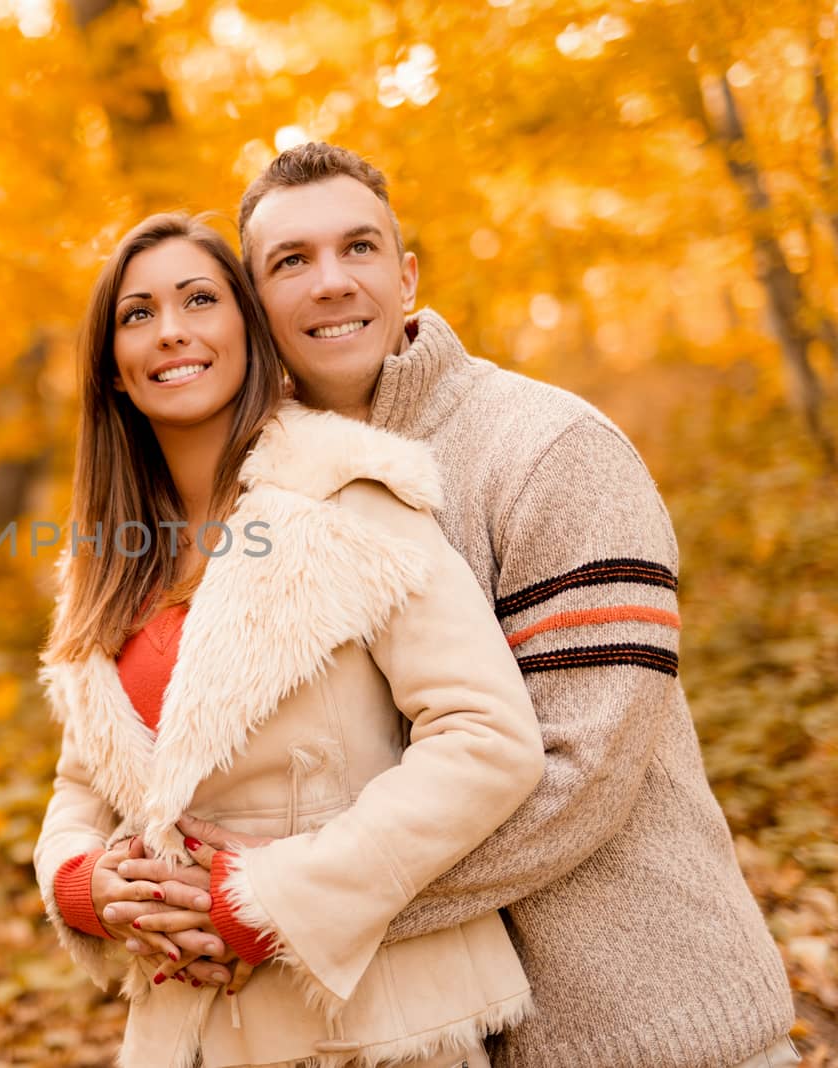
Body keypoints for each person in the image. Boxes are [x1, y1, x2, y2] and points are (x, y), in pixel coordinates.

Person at [129, 143, 796, 1068]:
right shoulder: (258, 492)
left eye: (359, 249)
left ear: (406, 277)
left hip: (639, 1024)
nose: (330, 283)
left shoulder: (549, 448)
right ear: (253, 305)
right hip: (420, 1036)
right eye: (290, 262)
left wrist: (287, 908)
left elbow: (582, 772)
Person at [32, 212, 546, 1068]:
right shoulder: (107, 556)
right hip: (184, 1028)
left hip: (374, 1027)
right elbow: (83, 782)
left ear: (247, 330)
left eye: (200, 299)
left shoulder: (344, 490)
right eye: (137, 313)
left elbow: (488, 739)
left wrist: (264, 902)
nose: (171, 332)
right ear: (113, 371)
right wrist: (85, 885)